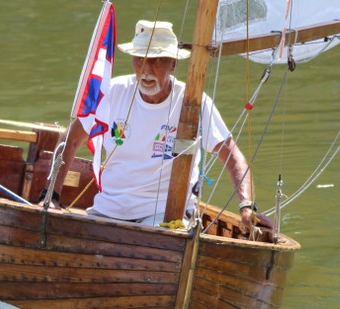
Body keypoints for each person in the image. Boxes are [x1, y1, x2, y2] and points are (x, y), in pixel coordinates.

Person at [44, 20, 267, 233]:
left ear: (173, 63)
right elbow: (71, 140)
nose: (147, 69)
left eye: (157, 60)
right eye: (140, 59)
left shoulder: (193, 102)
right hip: (108, 211)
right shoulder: (113, 92)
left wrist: (246, 207)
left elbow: (232, 155)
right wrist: (51, 196)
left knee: (160, 234)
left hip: (165, 217)